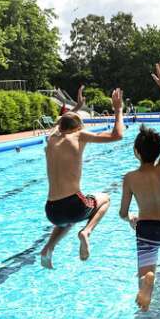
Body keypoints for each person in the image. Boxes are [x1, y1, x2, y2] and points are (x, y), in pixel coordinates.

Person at [41, 86, 125, 269]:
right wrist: (118, 110)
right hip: (74, 205)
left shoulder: (51, 136)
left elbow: (61, 120)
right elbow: (117, 135)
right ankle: (86, 232)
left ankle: (48, 248)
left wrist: (78, 106)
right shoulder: (79, 135)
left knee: (66, 221)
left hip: (52, 211)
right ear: (77, 128)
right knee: (106, 198)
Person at [119, 62, 160, 311]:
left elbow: (123, 213)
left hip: (146, 230)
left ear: (135, 151)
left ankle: (146, 281)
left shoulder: (130, 178)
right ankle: (148, 281)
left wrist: (132, 219)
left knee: (144, 269)